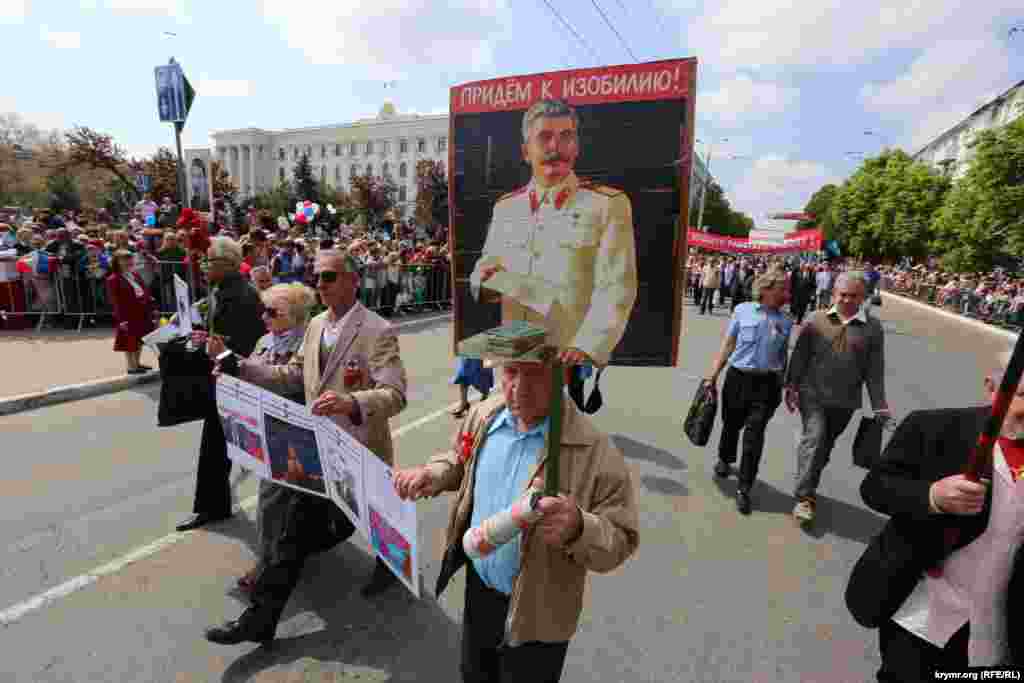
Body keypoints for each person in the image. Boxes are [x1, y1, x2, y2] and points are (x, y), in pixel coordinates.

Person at [393, 348, 639, 683]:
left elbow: (621, 537)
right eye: (511, 371)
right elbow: (459, 459)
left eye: (535, 374)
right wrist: (434, 474)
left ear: (562, 375)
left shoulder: (595, 451)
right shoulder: (485, 416)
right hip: (480, 590)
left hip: (540, 612)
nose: (518, 389)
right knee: (473, 674)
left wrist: (579, 527)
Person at [204, 249, 409, 647]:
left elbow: (395, 394)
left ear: (353, 280)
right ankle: (260, 619)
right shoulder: (315, 325)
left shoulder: (377, 330)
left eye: (330, 276)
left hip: (359, 446)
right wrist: (240, 365)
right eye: (318, 277)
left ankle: (391, 566)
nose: (321, 284)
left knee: (377, 518)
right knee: (290, 532)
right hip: (317, 449)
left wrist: (353, 403)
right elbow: (294, 373)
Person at [853, 349, 1024, 679]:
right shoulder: (935, 427)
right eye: (1022, 396)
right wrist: (932, 496)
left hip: (995, 630)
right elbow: (876, 486)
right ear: (992, 388)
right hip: (921, 614)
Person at [469, 98, 638, 369]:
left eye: (565, 137)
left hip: (566, 355)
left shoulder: (606, 204)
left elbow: (617, 287)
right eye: (544, 137)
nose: (555, 147)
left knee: (561, 413)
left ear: (576, 147)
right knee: (507, 410)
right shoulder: (506, 208)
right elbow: (486, 267)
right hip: (513, 352)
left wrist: (586, 345)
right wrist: (483, 281)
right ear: (526, 151)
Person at [207, 282, 313, 594]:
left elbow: (287, 380)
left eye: (272, 312)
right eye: (263, 311)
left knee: (270, 501)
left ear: (294, 316)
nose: (264, 317)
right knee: (288, 501)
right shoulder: (267, 339)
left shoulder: (306, 342)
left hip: (292, 430)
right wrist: (227, 368)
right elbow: (253, 370)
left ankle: (267, 566)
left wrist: (232, 362)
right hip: (266, 425)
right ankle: (285, 554)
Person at [784, 271, 890, 524]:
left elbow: (874, 370)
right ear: (833, 294)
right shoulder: (815, 319)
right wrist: (791, 386)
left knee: (824, 447)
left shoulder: (873, 328)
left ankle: (809, 477)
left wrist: (880, 406)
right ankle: (804, 497)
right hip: (813, 394)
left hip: (846, 401)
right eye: (842, 295)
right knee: (816, 437)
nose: (847, 300)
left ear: (863, 297)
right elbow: (799, 356)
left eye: (853, 296)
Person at [176, 237, 267, 533]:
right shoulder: (224, 290)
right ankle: (213, 505)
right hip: (222, 374)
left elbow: (246, 343)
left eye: (209, 262)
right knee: (216, 444)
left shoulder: (243, 295)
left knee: (225, 444)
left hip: (235, 378)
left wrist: (218, 348)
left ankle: (213, 507)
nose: (204, 268)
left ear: (226, 264)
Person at [705, 269, 793, 515]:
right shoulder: (742, 310)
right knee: (731, 424)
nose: (787, 293)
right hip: (738, 378)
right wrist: (713, 374)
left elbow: (783, 355)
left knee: (755, 435)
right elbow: (728, 343)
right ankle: (725, 458)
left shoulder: (786, 321)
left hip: (767, 386)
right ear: (766, 289)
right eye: (783, 288)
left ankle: (745, 487)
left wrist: (785, 384)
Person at [106, 249, 156, 374]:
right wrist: (121, 319)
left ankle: (137, 363)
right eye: (124, 260)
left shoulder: (135, 274)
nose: (128, 262)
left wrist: (151, 304)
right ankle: (131, 366)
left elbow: (144, 290)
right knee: (129, 341)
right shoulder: (113, 279)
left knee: (140, 339)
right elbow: (115, 301)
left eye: (129, 259)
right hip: (127, 313)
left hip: (141, 311)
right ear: (117, 262)